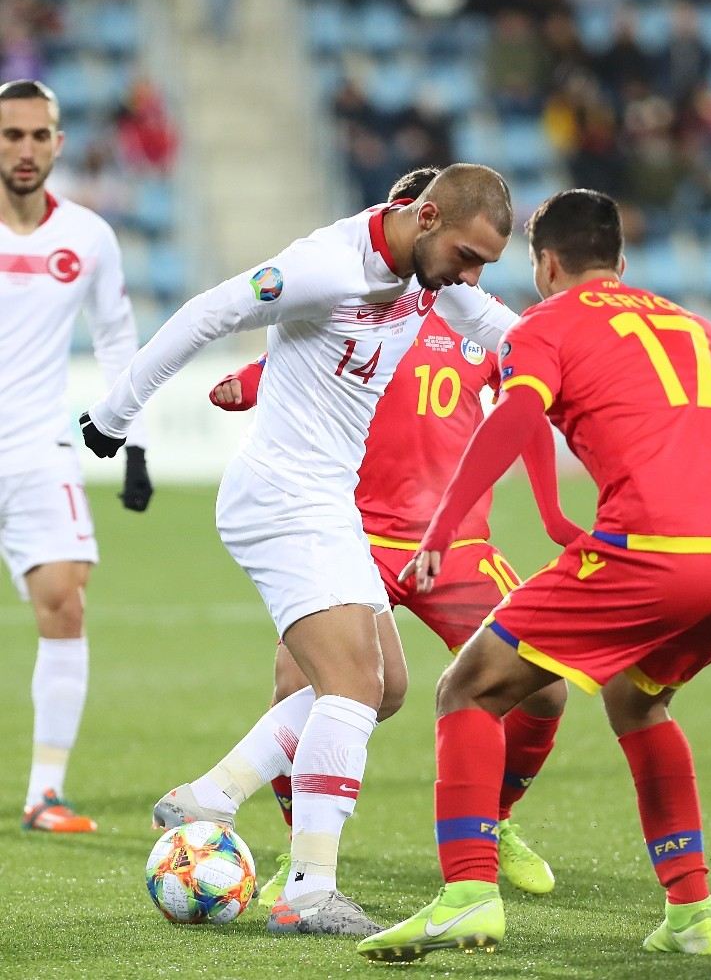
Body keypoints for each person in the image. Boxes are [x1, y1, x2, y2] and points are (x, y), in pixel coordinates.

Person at [356, 188, 711, 963]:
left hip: (651, 550)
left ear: (546, 265)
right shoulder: (701, 328)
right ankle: (692, 915)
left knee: (466, 688)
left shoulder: (546, 324)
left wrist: (444, 522)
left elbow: (513, 416)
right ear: (621, 261)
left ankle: (467, 894)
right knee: (638, 702)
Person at [80, 163, 520, 936]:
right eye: (467, 255)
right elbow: (208, 313)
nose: (471, 274)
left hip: (326, 501)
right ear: (422, 218)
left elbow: (502, 331)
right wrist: (115, 413)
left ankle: (211, 795)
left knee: (385, 692)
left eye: (484, 262)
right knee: (350, 686)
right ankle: (310, 890)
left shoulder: (431, 268)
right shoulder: (325, 267)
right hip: (280, 496)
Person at [209, 168, 576, 909]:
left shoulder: (477, 318)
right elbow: (285, 364)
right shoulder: (360, 302)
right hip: (353, 536)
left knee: (545, 687)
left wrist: (551, 510)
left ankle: (496, 823)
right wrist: (244, 383)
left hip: (455, 543)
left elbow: (527, 409)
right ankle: (301, 854)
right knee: (301, 689)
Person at [0, 79, 152, 832]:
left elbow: (118, 340)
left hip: (36, 446)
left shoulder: (89, 236)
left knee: (65, 599)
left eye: (37, 136)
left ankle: (45, 793)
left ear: (58, 144)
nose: (24, 149)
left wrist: (133, 445)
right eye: (9, 135)